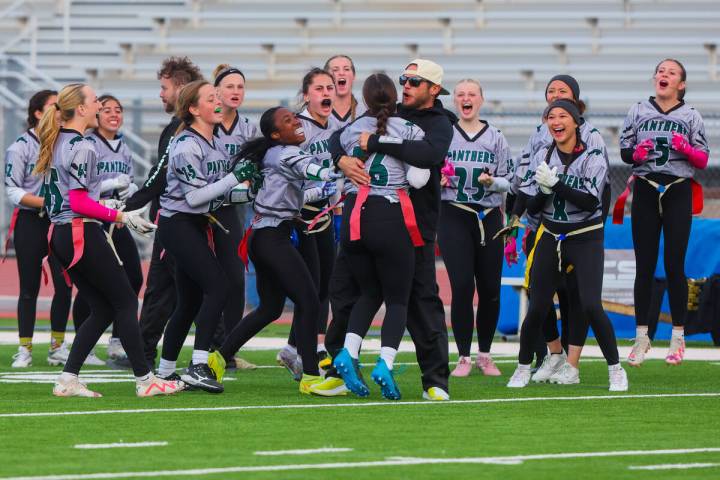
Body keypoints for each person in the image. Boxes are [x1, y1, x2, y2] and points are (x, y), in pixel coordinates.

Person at [314, 59, 454, 401]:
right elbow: (336, 140)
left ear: (434, 89)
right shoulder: (389, 113)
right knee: (345, 293)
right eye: (404, 80)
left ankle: (434, 380)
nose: (406, 85)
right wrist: (341, 160)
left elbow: (429, 153)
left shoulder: (439, 122)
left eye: (415, 82)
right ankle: (339, 369)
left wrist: (376, 144)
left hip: (414, 223)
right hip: (372, 216)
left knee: (421, 301)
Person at [35, 83, 181, 397]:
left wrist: (110, 207)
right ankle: (145, 379)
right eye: (94, 100)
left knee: (102, 308)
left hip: (63, 232)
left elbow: (72, 198)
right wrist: (122, 216)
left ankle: (68, 378)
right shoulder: (83, 145)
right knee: (126, 301)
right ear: (83, 109)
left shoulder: (59, 139)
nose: (99, 105)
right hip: (79, 231)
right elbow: (77, 201)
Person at [207, 106, 341, 396]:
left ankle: (217, 358)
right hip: (272, 238)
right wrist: (334, 170)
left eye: (294, 117)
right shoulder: (284, 153)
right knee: (309, 301)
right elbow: (309, 168)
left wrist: (327, 185)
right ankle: (309, 375)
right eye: (288, 121)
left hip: (265, 235)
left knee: (270, 308)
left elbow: (296, 194)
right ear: (276, 134)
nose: (296, 122)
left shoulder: (276, 154)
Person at [506, 99, 628, 392]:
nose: (555, 121)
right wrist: (544, 190)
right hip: (551, 233)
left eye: (562, 116)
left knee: (589, 304)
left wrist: (557, 184)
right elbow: (533, 208)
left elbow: (589, 202)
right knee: (537, 306)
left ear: (576, 122)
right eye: (551, 116)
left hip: (585, 235)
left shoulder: (593, 153)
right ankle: (523, 368)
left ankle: (616, 368)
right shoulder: (543, 155)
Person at [331, 73, 428, 400]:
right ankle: (385, 362)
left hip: (355, 216)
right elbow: (419, 178)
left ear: (366, 98)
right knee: (397, 299)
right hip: (391, 215)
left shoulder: (351, 129)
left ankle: (349, 352)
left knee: (368, 293)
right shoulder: (411, 130)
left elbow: (335, 147)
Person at [154, 80, 254, 393]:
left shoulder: (213, 141)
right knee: (219, 286)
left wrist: (249, 189)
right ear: (194, 109)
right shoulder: (186, 145)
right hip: (178, 224)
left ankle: (166, 370)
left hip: (195, 224)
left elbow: (218, 196)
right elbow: (196, 198)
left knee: (189, 301)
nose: (219, 100)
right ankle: (198, 365)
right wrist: (234, 178)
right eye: (211, 98)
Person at [618, 59, 709, 366]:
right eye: (660, 71)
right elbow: (624, 150)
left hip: (677, 190)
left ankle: (678, 337)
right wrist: (635, 154)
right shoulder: (637, 110)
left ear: (681, 84)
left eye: (671, 72)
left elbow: (703, 159)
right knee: (644, 266)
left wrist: (687, 150)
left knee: (674, 265)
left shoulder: (691, 114)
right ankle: (642, 337)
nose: (663, 75)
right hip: (645, 187)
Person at [124, 56, 203, 369]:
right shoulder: (186, 130)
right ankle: (216, 349)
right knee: (184, 288)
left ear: (181, 89)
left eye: (164, 87)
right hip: (185, 222)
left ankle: (143, 354)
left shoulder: (180, 131)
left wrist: (126, 205)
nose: (161, 94)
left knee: (167, 290)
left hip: (175, 221)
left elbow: (159, 178)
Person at [438, 79, 513, 377]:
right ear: (455, 101)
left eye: (472, 94)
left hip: (489, 216)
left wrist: (492, 183)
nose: (466, 99)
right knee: (462, 287)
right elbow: (427, 174)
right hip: (455, 213)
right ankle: (464, 356)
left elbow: (510, 181)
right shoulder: (445, 135)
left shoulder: (495, 137)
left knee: (490, 289)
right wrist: (437, 181)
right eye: (460, 94)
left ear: (481, 100)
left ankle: (485, 354)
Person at [71, 94, 142, 368]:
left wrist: (127, 194)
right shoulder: (88, 145)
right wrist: (110, 184)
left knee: (133, 276)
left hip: (116, 218)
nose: (114, 114)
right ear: (96, 115)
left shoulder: (123, 146)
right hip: (92, 219)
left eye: (118, 110)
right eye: (107, 110)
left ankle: (116, 337)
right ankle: (83, 342)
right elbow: (81, 189)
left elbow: (130, 181)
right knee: (91, 287)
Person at [277, 67, 339, 379]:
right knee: (310, 288)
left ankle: (292, 349)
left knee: (323, 285)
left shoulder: (336, 126)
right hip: (299, 215)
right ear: (306, 96)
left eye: (330, 87)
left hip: (324, 214)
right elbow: (287, 179)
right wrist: (319, 190)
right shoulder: (297, 128)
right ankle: (308, 351)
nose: (326, 92)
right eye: (319, 88)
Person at [4, 89, 72, 368]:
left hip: (59, 219)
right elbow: (12, 190)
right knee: (29, 287)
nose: (60, 112)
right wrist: (46, 200)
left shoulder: (65, 143)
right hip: (32, 219)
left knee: (65, 284)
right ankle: (25, 348)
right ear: (37, 113)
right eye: (55, 107)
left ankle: (57, 346)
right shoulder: (20, 146)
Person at [210, 63, 258, 371]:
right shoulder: (206, 122)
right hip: (202, 210)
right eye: (230, 86)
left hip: (232, 210)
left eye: (240, 87)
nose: (236, 92)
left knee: (235, 280)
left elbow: (256, 167)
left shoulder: (249, 127)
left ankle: (225, 349)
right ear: (216, 91)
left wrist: (248, 184)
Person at [324, 55, 366, 129]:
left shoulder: (366, 111)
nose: (341, 73)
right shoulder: (317, 112)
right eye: (335, 70)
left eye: (346, 69)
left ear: (354, 76)